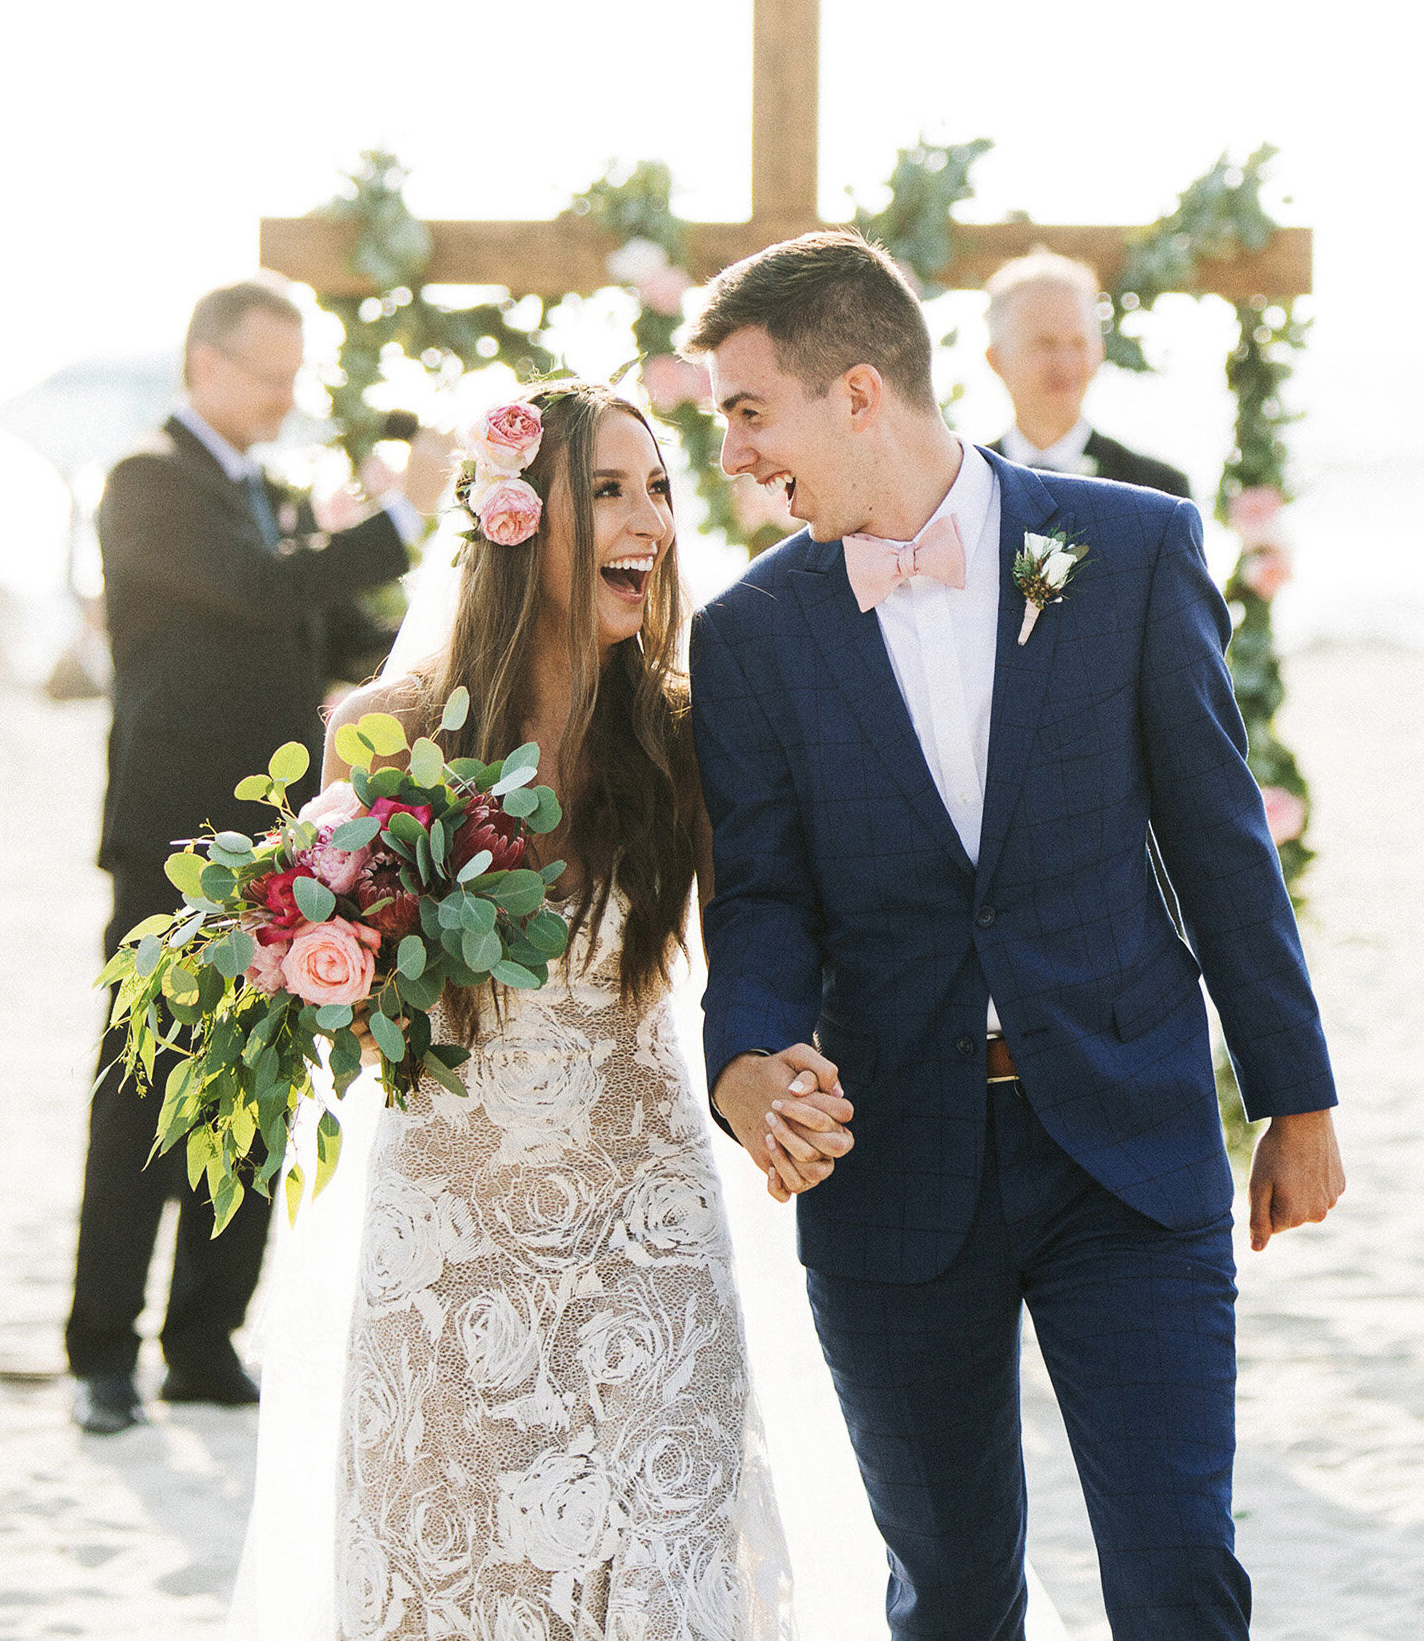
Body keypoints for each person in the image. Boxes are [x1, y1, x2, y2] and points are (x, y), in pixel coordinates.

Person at [688, 232, 1344, 1640]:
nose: (730, 455)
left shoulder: (1127, 547)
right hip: (891, 1170)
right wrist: (741, 1054)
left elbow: (1219, 845)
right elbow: (760, 895)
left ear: (856, 393)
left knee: (1177, 1573)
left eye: (747, 412)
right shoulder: (745, 636)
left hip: (1123, 1145)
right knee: (952, 1597)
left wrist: (1295, 1093)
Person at [236, 381, 794, 1640]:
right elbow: (357, 1005)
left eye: (656, 487)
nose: (645, 516)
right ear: (512, 518)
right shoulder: (386, 734)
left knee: (668, 1571)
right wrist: (298, 949)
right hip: (448, 1232)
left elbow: (760, 950)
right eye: (605, 488)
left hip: (649, 1227)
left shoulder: (687, 737)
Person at [68, 278, 453, 1436]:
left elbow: (334, 629)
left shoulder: (274, 497)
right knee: (141, 1084)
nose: (290, 395)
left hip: (277, 839)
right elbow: (250, 592)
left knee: (255, 1073)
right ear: (205, 363)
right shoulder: (146, 482)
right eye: (272, 373)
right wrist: (390, 516)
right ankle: (101, 1346)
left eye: (297, 373)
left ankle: (203, 1337)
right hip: (170, 837)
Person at [985, 250, 1191, 498]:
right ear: (996, 359)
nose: (1065, 362)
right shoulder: (965, 486)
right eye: (1045, 344)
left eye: (1078, 344)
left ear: (1099, 352)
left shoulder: (1156, 490)